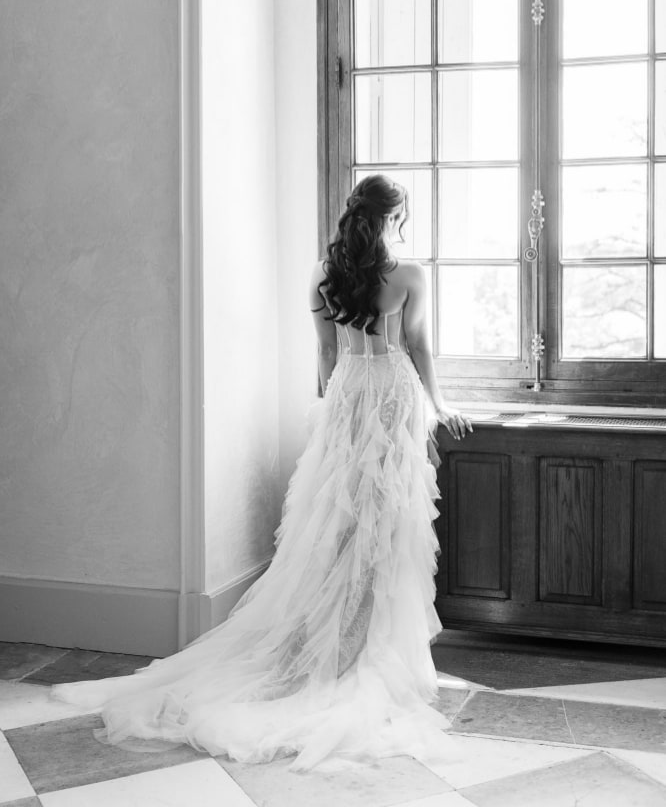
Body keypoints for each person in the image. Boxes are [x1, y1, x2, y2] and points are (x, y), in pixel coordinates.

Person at [50, 174, 473, 772]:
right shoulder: (409, 276)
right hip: (392, 396)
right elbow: (419, 347)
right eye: (401, 215)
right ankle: (359, 654)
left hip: (348, 395)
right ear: (391, 219)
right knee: (383, 524)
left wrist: (335, 416)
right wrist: (439, 404)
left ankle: (336, 646)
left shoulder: (323, 275)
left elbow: (325, 357)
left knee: (338, 522)